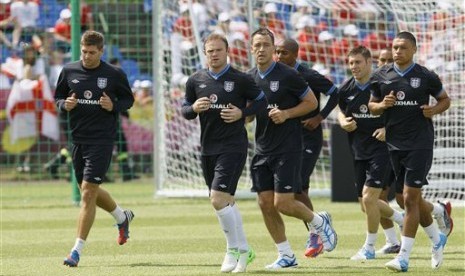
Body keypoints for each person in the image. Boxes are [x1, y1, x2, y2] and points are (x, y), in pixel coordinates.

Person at [247, 28, 337, 269]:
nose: (263, 49)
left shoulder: (288, 75)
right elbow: (248, 113)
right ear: (251, 48)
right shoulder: (249, 78)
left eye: (267, 44)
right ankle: (286, 255)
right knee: (265, 203)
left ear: (271, 47)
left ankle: (319, 221)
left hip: (288, 147)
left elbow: (312, 102)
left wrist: (286, 113)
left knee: (283, 203)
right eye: (258, 45)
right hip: (262, 148)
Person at [181, 33, 267, 273]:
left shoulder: (239, 79)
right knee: (226, 200)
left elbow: (262, 101)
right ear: (205, 53)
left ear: (226, 51)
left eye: (218, 50)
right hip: (208, 148)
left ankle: (232, 249)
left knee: (217, 199)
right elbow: (185, 110)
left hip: (233, 146)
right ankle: (245, 250)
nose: (214, 54)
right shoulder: (195, 80)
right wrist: (194, 108)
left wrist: (242, 113)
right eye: (210, 51)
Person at [368, 31, 452, 272]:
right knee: (404, 199)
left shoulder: (425, 76)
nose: (397, 51)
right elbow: (372, 107)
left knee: (411, 197)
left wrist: (433, 110)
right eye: (395, 47)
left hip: (420, 143)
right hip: (394, 144)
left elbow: (445, 100)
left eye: (403, 47)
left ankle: (403, 257)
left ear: (414, 49)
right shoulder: (381, 76)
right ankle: (437, 238)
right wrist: (382, 105)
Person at [55, 30, 135, 267]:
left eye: (92, 52)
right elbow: (58, 97)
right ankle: (122, 216)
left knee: (88, 193)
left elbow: (128, 100)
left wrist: (113, 105)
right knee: (87, 190)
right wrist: (65, 104)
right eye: (84, 52)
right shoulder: (69, 70)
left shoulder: (114, 74)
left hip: (102, 140)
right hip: (78, 139)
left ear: (101, 51)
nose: (87, 56)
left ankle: (76, 251)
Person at [337, 45, 406, 261]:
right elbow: (340, 110)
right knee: (365, 204)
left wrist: (388, 129)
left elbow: (403, 113)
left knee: (370, 197)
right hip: (359, 150)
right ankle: (400, 219)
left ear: (369, 62)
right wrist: (342, 122)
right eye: (351, 63)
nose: (354, 67)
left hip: (383, 149)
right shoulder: (346, 89)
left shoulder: (383, 84)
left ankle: (368, 247)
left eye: (358, 62)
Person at [274, 38, 339, 258]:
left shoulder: (308, 75)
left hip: (309, 138)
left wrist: (320, 117)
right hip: (288, 139)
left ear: (295, 54)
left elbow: (334, 92)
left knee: (297, 187)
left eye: (283, 53)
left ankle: (316, 233)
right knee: (302, 189)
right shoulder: (278, 76)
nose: (279, 56)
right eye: (277, 52)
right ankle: (319, 228)